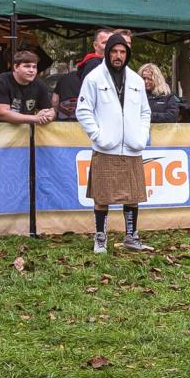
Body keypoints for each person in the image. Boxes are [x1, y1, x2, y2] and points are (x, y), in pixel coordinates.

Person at [76, 33, 153, 253]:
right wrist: (98, 135)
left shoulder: (136, 80)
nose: (118, 56)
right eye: (114, 51)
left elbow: (145, 112)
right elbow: (83, 110)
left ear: (127, 54)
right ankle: (100, 238)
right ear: (107, 53)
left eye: (122, 52)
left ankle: (131, 237)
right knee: (102, 196)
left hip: (132, 146)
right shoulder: (94, 78)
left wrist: (141, 136)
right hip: (105, 147)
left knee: (133, 196)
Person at [0, 50, 56, 125]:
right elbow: (2, 114)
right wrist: (35, 118)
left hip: (24, 128)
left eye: (34, 67)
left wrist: (49, 115)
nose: (31, 70)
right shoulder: (1, 82)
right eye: (27, 66)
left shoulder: (39, 85)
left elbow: (49, 110)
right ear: (16, 67)